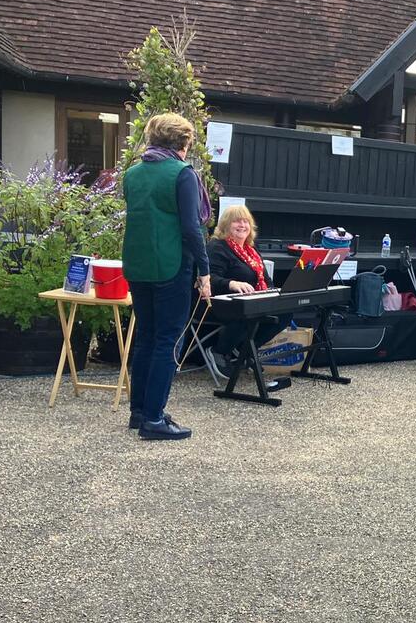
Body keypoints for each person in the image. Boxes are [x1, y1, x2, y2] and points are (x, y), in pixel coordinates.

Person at [121, 112, 211, 441]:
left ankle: (139, 412)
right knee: (168, 340)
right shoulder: (182, 174)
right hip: (171, 265)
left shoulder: (132, 174)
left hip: (137, 263)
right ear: (182, 141)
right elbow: (191, 227)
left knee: (146, 337)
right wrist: (205, 270)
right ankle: (154, 418)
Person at [205, 203, 292, 391]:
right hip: (220, 303)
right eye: (236, 221)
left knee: (285, 313)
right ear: (226, 225)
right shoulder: (217, 247)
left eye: (245, 221)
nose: (242, 225)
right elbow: (209, 277)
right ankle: (219, 351)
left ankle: (243, 349)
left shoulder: (251, 250)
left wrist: (272, 292)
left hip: (252, 301)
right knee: (247, 313)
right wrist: (231, 283)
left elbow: (266, 279)